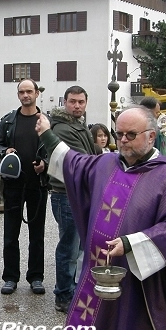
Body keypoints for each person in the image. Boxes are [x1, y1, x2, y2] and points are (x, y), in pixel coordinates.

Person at [36, 106, 166, 330]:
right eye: (118, 134)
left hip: (139, 287)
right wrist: (47, 134)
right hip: (95, 276)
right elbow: (72, 163)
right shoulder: (106, 164)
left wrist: (130, 243)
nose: (122, 140)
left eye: (130, 134)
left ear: (151, 136)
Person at [0, 79, 48, 295]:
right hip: (13, 186)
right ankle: (10, 278)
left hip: (38, 185)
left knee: (37, 236)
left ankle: (36, 277)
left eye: (29, 91)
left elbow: (55, 149)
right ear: (18, 95)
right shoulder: (8, 121)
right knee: (10, 235)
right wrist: (4, 151)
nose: (25, 95)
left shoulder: (46, 122)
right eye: (22, 92)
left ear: (37, 93)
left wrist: (45, 164)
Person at [47, 86, 97, 313]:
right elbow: (83, 160)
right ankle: (63, 295)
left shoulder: (79, 125)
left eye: (81, 102)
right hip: (65, 194)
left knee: (77, 248)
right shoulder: (63, 128)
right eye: (72, 101)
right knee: (69, 248)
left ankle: (72, 289)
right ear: (65, 102)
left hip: (77, 193)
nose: (77, 106)